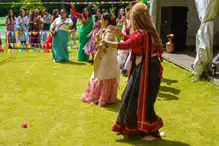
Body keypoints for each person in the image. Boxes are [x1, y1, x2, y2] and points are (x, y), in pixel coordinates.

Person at [102, 3, 164, 141]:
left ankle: (152, 131)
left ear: (137, 18)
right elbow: (133, 42)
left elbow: (129, 45)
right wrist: (121, 35)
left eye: (132, 17)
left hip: (147, 71)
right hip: (144, 69)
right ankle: (136, 128)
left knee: (144, 101)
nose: (131, 20)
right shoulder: (147, 32)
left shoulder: (143, 33)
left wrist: (107, 43)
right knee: (130, 97)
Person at [81, 13, 120, 107]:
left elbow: (105, 42)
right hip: (104, 56)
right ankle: (102, 96)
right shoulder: (104, 30)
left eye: (102, 20)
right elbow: (100, 41)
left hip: (107, 57)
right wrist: (98, 38)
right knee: (100, 73)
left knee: (104, 75)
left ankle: (105, 97)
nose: (100, 21)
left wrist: (101, 43)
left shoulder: (109, 31)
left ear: (106, 21)